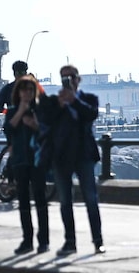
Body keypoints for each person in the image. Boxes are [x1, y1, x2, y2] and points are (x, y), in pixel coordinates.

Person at [38, 65, 106, 257]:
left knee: (91, 199)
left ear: (78, 79)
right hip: (61, 156)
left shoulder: (89, 99)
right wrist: (60, 105)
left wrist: (74, 100)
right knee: (65, 201)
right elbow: (46, 120)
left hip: (84, 155)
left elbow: (90, 115)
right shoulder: (54, 101)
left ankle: (98, 241)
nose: (68, 81)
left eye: (71, 77)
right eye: (64, 78)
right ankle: (70, 242)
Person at [3, 74, 50, 254]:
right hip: (20, 160)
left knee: (40, 199)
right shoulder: (12, 111)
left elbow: (47, 132)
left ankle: (43, 240)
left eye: (30, 90)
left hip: (37, 161)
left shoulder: (40, 110)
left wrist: (35, 125)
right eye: (24, 90)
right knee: (23, 200)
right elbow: (8, 129)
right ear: (19, 92)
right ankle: (27, 240)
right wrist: (21, 111)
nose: (27, 93)